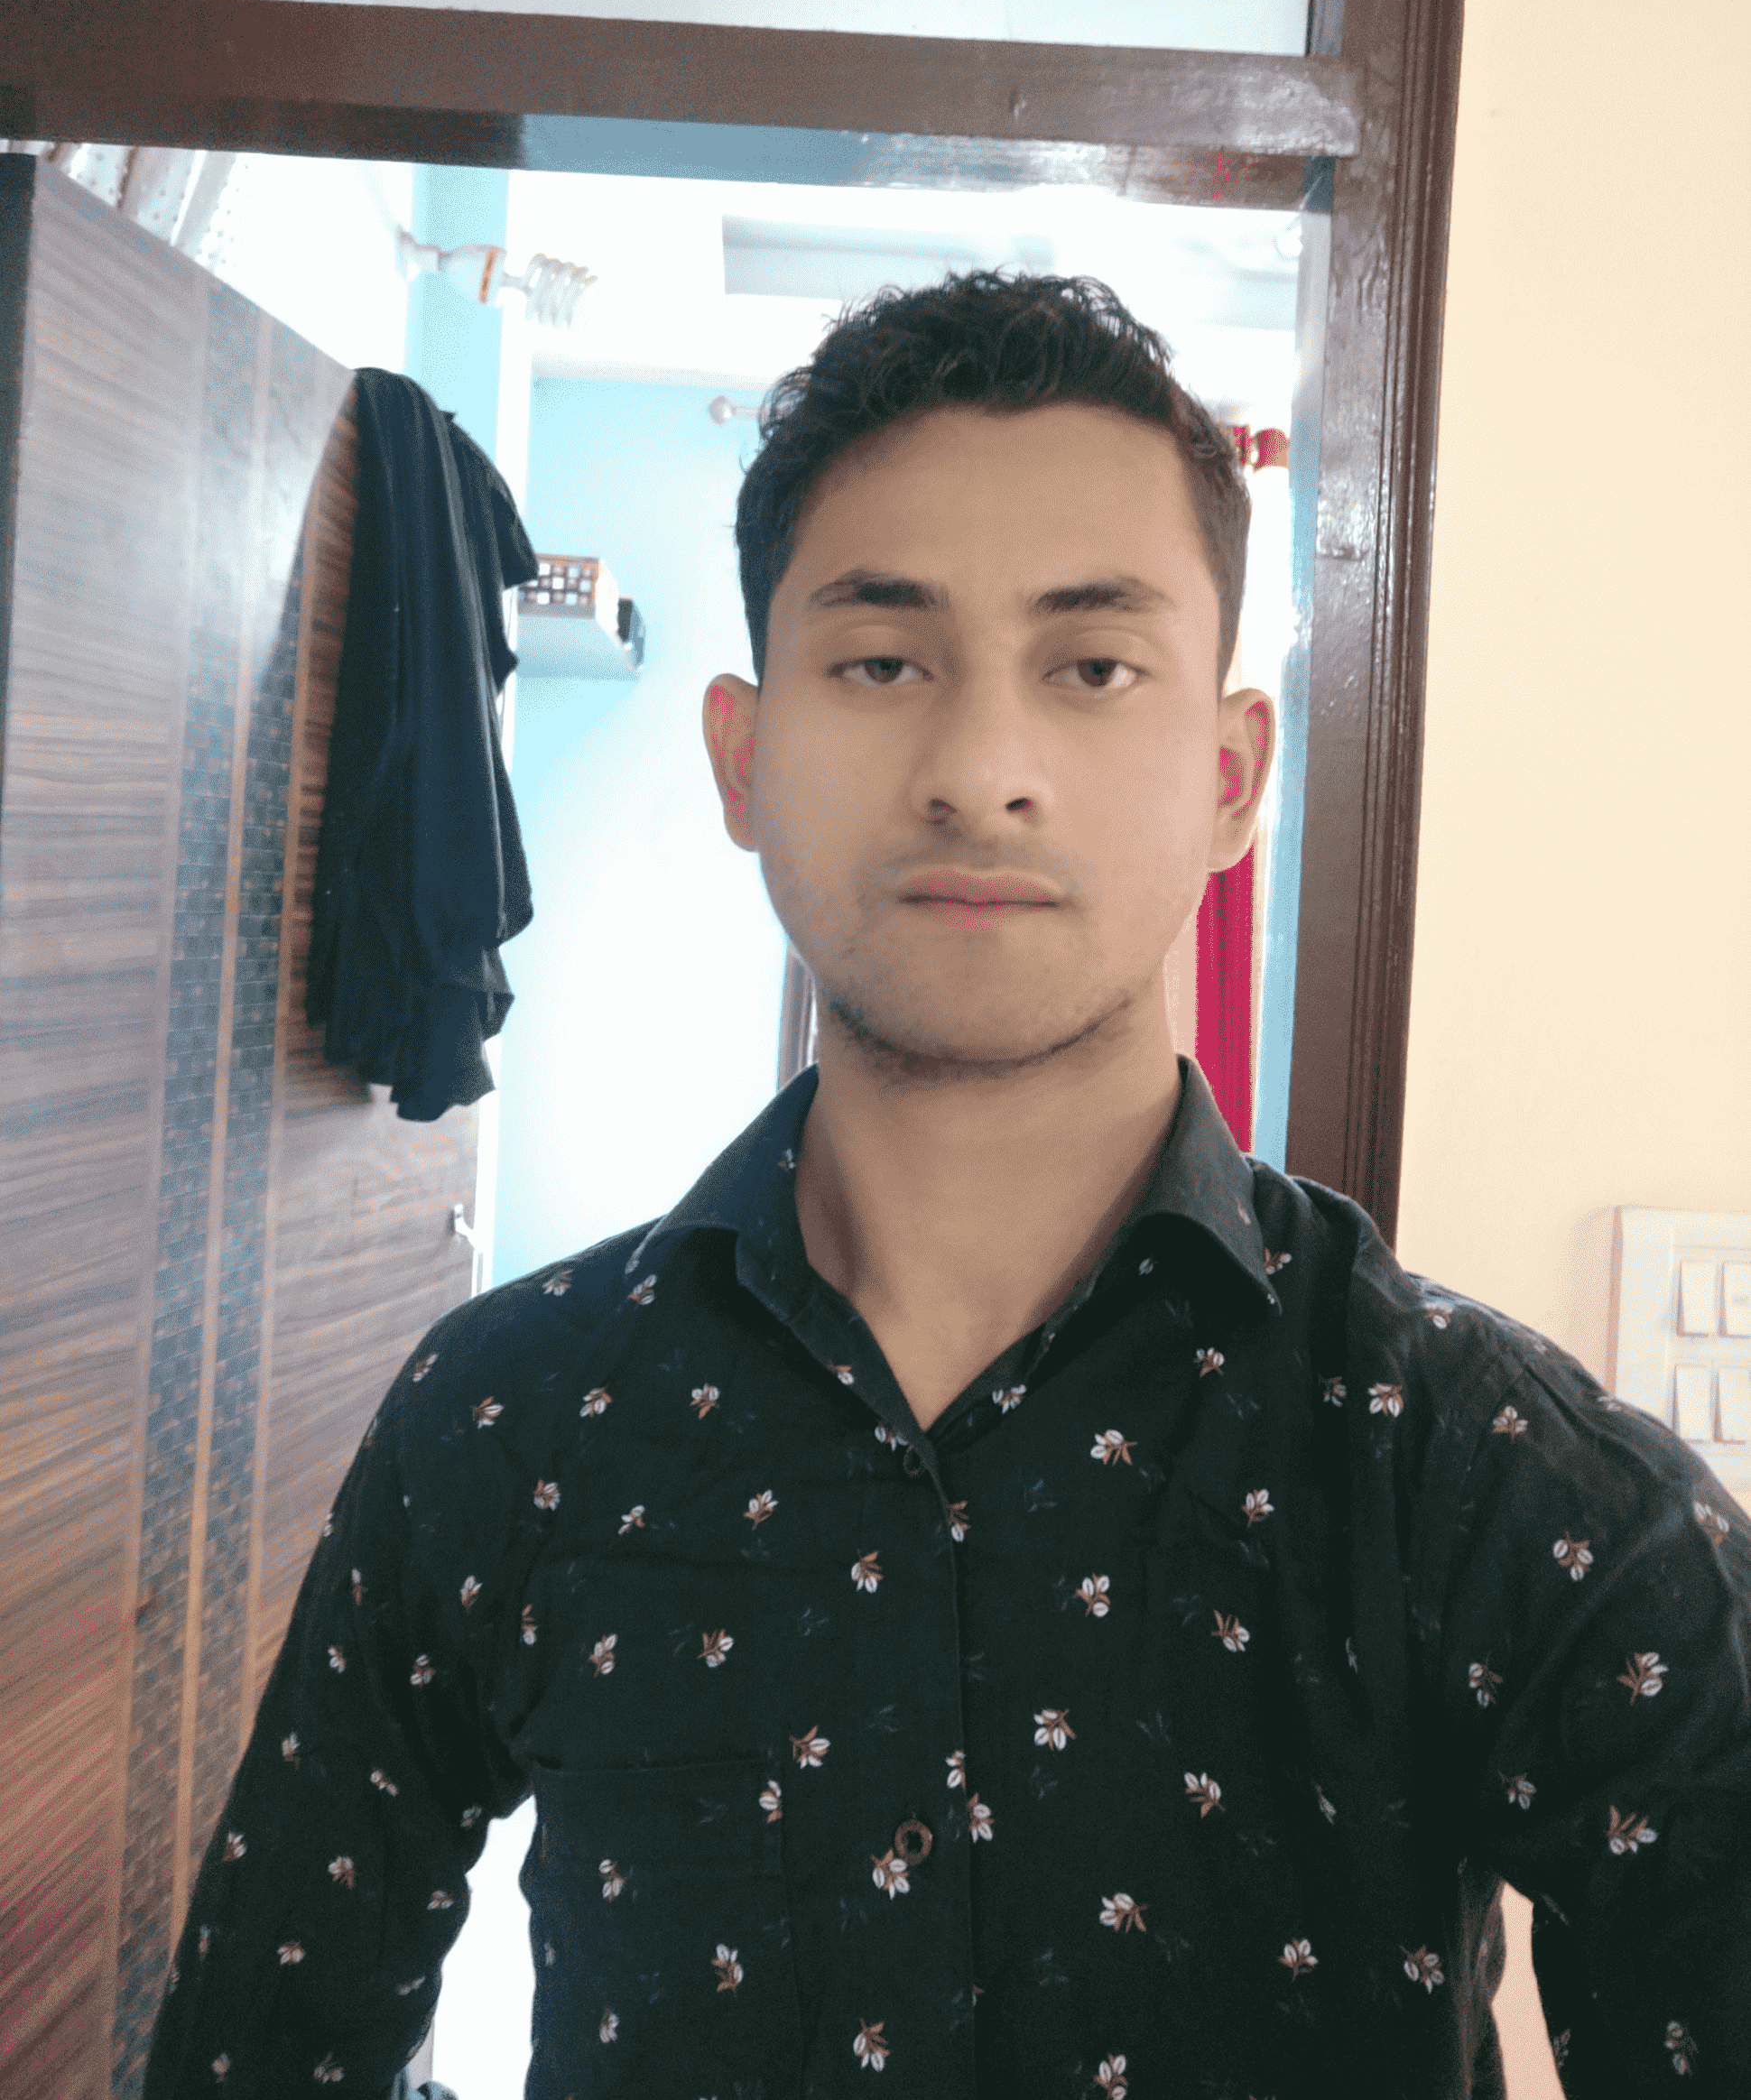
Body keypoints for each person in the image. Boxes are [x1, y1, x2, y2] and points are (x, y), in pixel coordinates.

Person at [144, 273, 1751, 2098]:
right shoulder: (505, 1422)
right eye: (884, 661)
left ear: (1232, 776)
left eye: (1092, 666)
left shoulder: (1501, 1488)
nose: (982, 773)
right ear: (744, 757)